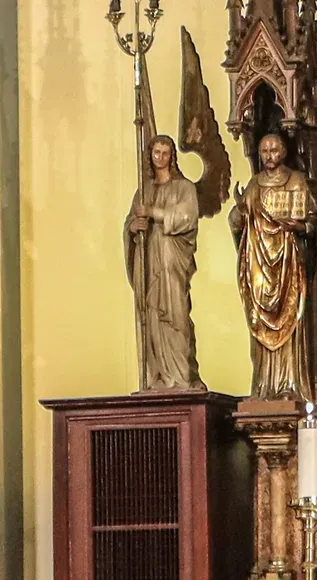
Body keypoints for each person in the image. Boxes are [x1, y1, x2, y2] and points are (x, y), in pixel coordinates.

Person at [229, 133, 317, 400]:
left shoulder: (296, 181)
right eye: (264, 150)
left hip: (288, 262)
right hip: (259, 265)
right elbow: (240, 223)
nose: (269, 155)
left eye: (274, 150)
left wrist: (299, 226)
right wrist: (239, 212)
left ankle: (290, 383)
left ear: (284, 152)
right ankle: (266, 385)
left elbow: (313, 222)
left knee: (292, 317)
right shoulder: (254, 185)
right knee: (260, 321)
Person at [125, 135, 206, 391]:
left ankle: (181, 377)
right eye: (156, 152)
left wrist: (154, 213)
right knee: (151, 315)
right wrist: (132, 227)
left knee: (176, 317)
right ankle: (157, 376)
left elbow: (187, 218)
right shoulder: (143, 190)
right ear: (150, 155)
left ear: (173, 157)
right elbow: (130, 224)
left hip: (172, 264)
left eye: (165, 153)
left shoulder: (184, 188)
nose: (160, 158)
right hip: (150, 265)